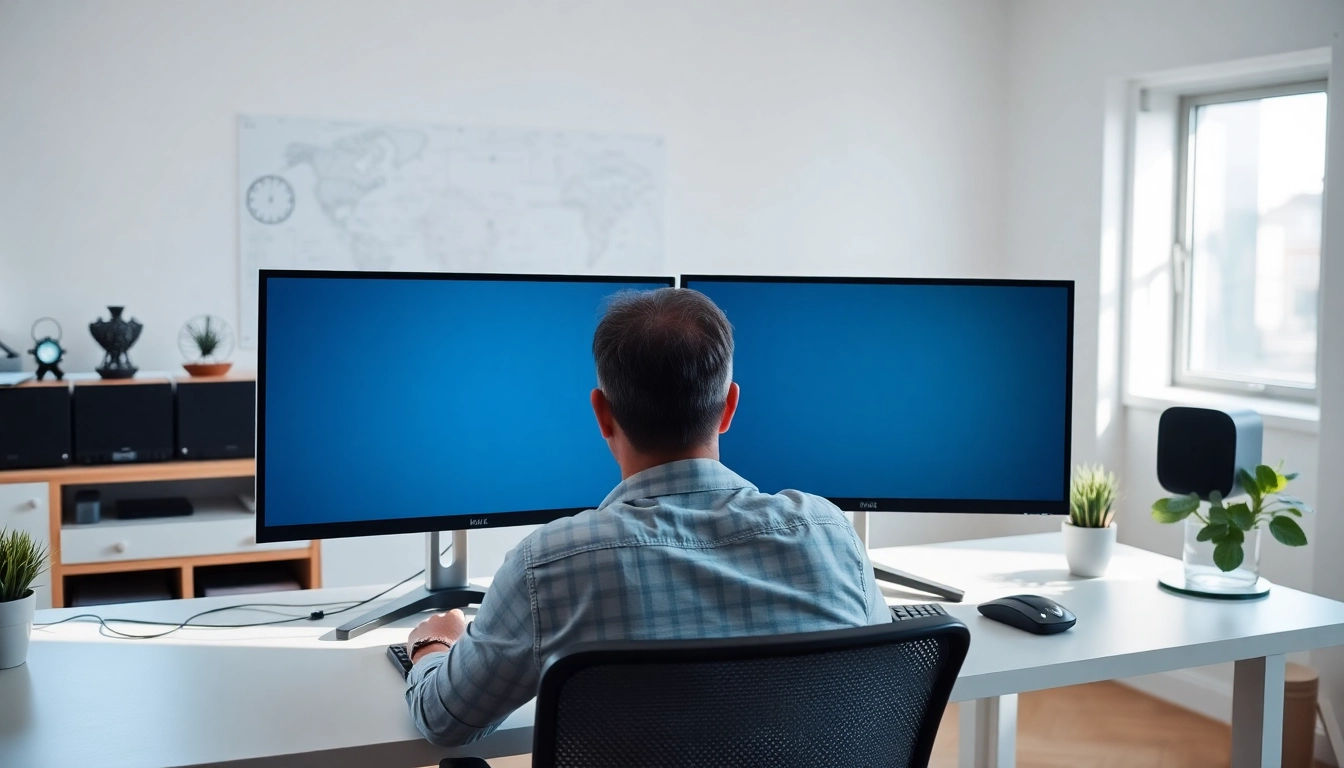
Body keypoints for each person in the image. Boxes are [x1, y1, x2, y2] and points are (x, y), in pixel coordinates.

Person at [404, 287, 888, 746]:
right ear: (729, 408)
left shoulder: (547, 567)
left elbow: (444, 720)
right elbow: (887, 678)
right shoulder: (828, 532)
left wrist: (432, 644)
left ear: (602, 414)